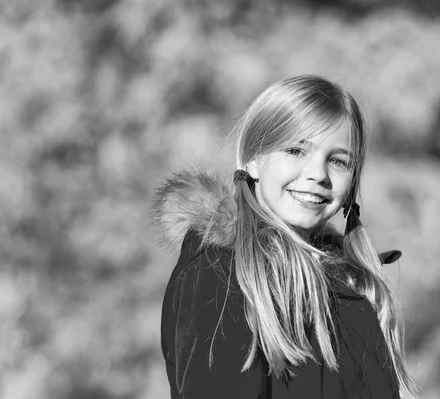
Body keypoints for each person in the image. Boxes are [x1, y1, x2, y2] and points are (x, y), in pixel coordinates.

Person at [153, 75, 418, 398]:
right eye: (295, 150)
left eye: (337, 161)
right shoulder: (224, 274)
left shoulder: (352, 289)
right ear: (252, 160)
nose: (317, 174)